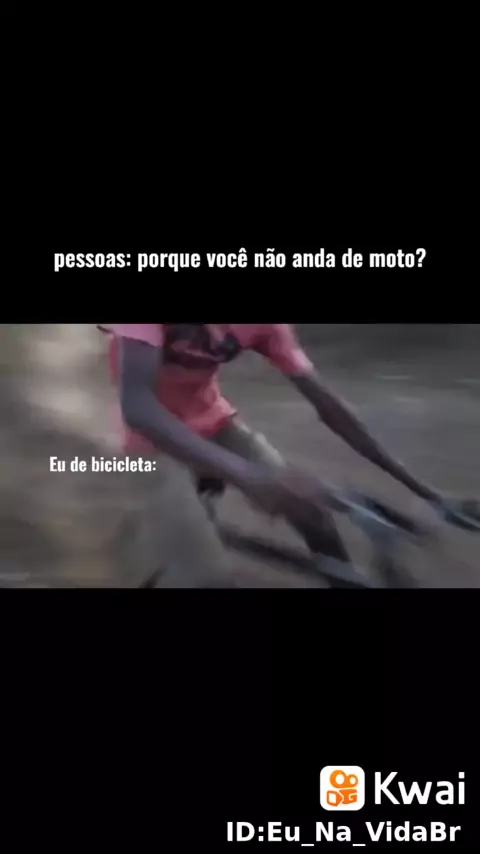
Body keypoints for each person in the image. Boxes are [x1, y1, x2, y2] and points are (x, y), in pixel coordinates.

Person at [98, 323, 449, 587]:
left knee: (314, 514)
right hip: (149, 444)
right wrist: (245, 473)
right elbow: (138, 408)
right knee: (207, 576)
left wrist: (422, 490)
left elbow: (331, 407)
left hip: (215, 424)